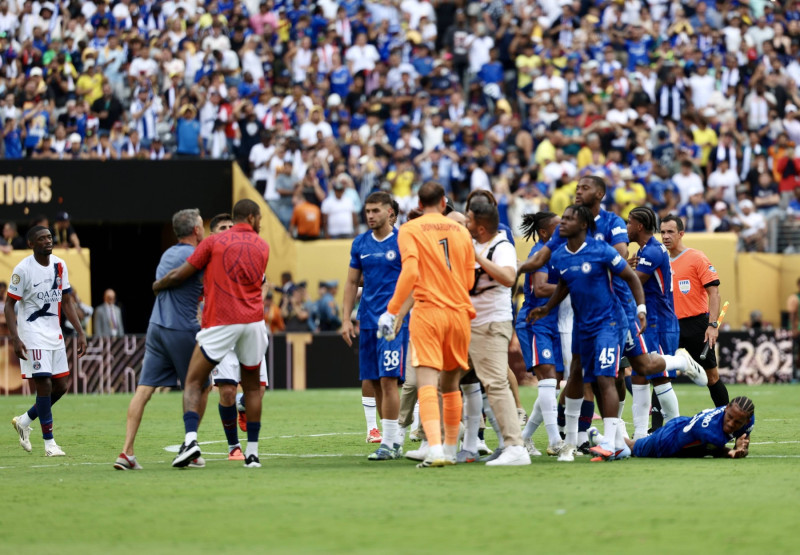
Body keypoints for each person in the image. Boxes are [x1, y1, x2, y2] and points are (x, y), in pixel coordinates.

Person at [153, 199, 270, 469]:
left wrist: (159, 284)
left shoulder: (212, 243)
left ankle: (191, 441)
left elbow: (182, 274)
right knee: (252, 388)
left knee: (194, 381)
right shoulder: (263, 246)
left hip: (221, 320)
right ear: (251, 218)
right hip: (253, 322)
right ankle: (251, 453)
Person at [379, 182, 475, 468]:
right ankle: (448, 448)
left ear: (419, 204)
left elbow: (410, 271)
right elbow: (470, 279)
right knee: (451, 385)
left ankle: (433, 448)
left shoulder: (410, 229)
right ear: (444, 202)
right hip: (459, 313)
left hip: (429, 312)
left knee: (426, 383)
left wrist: (392, 311)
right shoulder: (460, 230)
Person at [113, 209, 206, 471]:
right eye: (202, 225)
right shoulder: (195, 255)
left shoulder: (167, 253)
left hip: (156, 326)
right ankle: (191, 447)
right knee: (200, 385)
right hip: (181, 328)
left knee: (144, 390)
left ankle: (126, 452)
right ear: (196, 230)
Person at [459, 201, 530, 466]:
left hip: (490, 324)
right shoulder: (476, 244)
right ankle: (451, 444)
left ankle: (514, 446)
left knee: (495, 383)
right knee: (451, 379)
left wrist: (476, 258)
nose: (465, 223)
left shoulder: (502, 246)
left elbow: (509, 278)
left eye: (468, 219)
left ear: (480, 225)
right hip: (468, 323)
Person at [8, 225, 87, 457]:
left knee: (61, 387)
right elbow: (8, 305)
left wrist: (81, 332)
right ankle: (49, 443)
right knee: (44, 384)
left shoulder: (60, 265)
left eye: (49, 237)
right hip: (32, 334)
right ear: (31, 244)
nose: (47, 241)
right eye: (41, 239)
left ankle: (24, 420)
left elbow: (67, 300)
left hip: (55, 334)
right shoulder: (23, 270)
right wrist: (15, 337)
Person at [341, 191, 409, 458]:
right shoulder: (360, 243)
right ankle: (390, 439)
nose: (370, 216)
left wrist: (402, 314)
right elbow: (350, 283)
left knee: (389, 379)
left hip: (393, 322)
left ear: (389, 212)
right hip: (367, 321)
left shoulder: (403, 240)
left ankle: (390, 443)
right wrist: (346, 318)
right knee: (375, 382)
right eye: (367, 211)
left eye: (376, 211)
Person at [206, 213, 269, 461]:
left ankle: (243, 406)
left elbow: (264, 282)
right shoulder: (207, 259)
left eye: (232, 226)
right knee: (227, 392)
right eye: (223, 228)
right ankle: (234, 447)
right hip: (222, 331)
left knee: (258, 391)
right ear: (213, 234)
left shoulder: (249, 253)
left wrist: (255, 303)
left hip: (251, 327)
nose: (229, 231)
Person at [660, 214, 730, 409]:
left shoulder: (696, 257)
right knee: (660, 376)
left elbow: (714, 293)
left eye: (670, 232)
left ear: (681, 233)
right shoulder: (659, 260)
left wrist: (712, 325)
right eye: (662, 232)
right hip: (669, 325)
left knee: (712, 376)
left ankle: (726, 421)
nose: (665, 236)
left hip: (696, 324)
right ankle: (655, 429)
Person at [627, 207, 681, 438]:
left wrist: (616, 267)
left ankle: (677, 430)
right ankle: (640, 435)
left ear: (639, 226)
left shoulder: (651, 252)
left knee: (658, 376)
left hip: (658, 322)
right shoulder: (647, 251)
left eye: (629, 223)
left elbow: (634, 283)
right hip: (650, 320)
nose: (626, 227)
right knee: (639, 373)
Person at [517, 211, 565, 457]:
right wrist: (575, 285)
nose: (564, 229)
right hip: (535, 320)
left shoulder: (560, 250)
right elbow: (540, 287)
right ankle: (555, 439)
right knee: (547, 379)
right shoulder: (540, 251)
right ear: (545, 232)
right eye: (558, 226)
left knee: (552, 384)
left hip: (553, 321)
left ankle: (523, 438)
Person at [589, 396, 754, 459]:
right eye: (730, 417)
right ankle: (597, 437)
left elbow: (743, 445)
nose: (731, 424)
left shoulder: (747, 417)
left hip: (683, 425)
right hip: (667, 442)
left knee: (632, 446)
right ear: (726, 408)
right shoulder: (711, 432)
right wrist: (733, 452)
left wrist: (741, 449)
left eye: (737, 423)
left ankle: (618, 431)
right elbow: (716, 452)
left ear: (746, 421)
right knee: (632, 449)